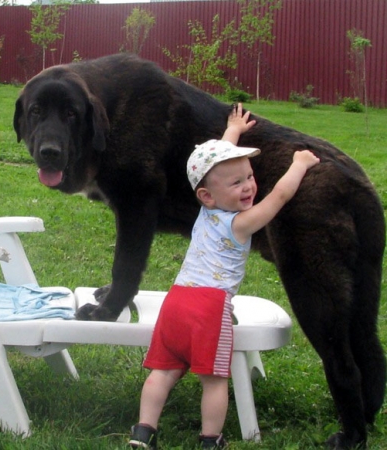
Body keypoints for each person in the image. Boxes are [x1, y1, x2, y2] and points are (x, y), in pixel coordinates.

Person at [128, 104, 320, 449]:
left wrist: (232, 130)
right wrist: (299, 164)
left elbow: (214, 166)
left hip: (176, 301)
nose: (248, 186)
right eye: (237, 183)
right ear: (209, 195)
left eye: (249, 177)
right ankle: (210, 439)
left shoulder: (208, 208)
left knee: (164, 372)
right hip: (209, 308)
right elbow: (279, 196)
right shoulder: (240, 223)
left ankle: (143, 433)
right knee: (214, 379)